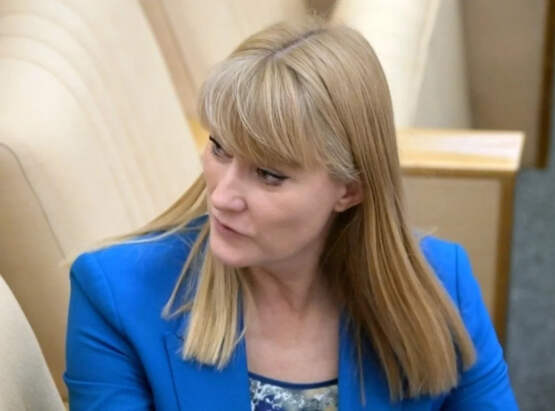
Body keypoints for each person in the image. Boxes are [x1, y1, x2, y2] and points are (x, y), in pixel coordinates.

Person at [63, 15, 518, 410]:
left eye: (268, 174)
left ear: (350, 190)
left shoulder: (444, 284)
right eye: (220, 149)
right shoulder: (114, 294)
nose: (222, 197)